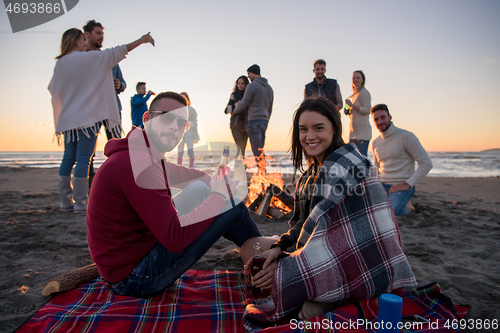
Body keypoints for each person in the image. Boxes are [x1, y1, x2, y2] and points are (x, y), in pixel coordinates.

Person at [242, 97, 416, 330]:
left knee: (279, 280)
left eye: (318, 128)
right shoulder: (309, 174)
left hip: (361, 256)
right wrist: (277, 249)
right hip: (323, 249)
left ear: (335, 128)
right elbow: (304, 226)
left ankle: (329, 297)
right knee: (251, 248)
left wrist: (286, 264)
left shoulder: (344, 164)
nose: (310, 136)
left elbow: (344, 237)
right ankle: (320, 291)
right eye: (303, 130)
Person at [86, 91, 262, 298]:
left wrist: (214, 182)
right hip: (134, 277)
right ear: (147, 119)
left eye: (182, 124)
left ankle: (254, 249)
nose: (174, 127)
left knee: (201, 188)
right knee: (232, 208)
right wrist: (220, 196)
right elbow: (175, 238)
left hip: (128, 259)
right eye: (167, 117)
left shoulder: (142, 152)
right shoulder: (138, 165)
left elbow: (178, 173)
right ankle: (263, 261)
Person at [49, 28, 152, 213]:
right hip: (87, 118)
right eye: (82, 40)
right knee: (83, 159)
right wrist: (142, 40)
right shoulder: (87, 58)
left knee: (68, 158)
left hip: (67, 119)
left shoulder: (61, 63)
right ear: (75, 41)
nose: (84, 43)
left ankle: (65, 202)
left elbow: (53, 88)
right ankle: (81, 204)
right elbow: (117, 52)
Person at [83, 20, 127, 188]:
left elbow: (123, 82)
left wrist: (119, 85)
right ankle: (90, 190)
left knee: (117, 150)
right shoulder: (81, 58)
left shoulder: (110, 58)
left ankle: (118, 187)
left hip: (112, 110)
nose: (102, 37)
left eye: (102, 34)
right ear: (87, 35)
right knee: (87, 154)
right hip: (89, 111)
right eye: (98, 33)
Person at [371, 104, 433, 215]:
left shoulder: (405, 136)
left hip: (401, 187)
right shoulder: (375, 142)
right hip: (382, 186)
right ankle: (401, 204)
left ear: (390, 117)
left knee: (388, 214)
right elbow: (377, 166)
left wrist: (407, 184)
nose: (380, 121)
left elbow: (426, 163)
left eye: (383, 117)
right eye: (376, 119)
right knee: (367, 211)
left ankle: (408, 208)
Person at [232, 65, 273, 163]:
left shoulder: (251, 86)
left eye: (249, 73)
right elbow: (270, 108)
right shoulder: (269, 88)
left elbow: (244, 104)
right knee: (260, 148)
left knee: (256, 149)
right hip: (265, 120)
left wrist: (235, 111)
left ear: (254, 73)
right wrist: (267, 118)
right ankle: (262, 172)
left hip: (254, 120)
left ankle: (262, 173)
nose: (248, 76)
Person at [344, 70, 372, 156]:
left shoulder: (364, 93)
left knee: (361, 160)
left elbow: (368, 110)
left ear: (363, 80)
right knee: (353, 160)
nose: (355, 80)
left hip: (362, 135)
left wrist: (352, 105)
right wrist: (347, 111)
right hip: (353, 134)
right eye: (353, 78)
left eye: (358, 78)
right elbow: (355, 114)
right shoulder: (354, 94)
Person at [225, 76, 250, 158]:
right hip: (235, 125)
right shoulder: (234, 95)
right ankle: (240, 168)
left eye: (242, 84)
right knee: (240, 148)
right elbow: (226, 110)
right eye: (238, 83)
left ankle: (240, 168)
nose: (240, 85)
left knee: (243, 149)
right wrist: (236, 105)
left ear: (246, 84)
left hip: (246, 125)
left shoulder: (249, 95)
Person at [177, 92, 200, 168]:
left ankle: (191, 168)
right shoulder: (177, 109)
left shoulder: (192, 110)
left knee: (190, 152)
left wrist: (188, 123)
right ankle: (179, 167)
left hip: (189, 134)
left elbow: (195, 122)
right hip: (180, 133)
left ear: (187, 99)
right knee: (180, 152)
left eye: (184, 97)